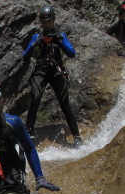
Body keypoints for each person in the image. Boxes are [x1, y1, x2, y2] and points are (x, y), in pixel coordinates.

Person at [22, 5, 82, 148]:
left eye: (49, 21)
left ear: (53, 20)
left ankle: (77, 136)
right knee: (35, 98)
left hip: (56, 72)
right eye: (44, 22)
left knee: (64, 103)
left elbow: (72, 53)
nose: (47, 24)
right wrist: (33, 45)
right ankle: (28, 134)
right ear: (41, 22)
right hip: (41, 72)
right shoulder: (37, 36)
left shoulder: (61, 36)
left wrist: (59, 41)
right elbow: (25, 57)